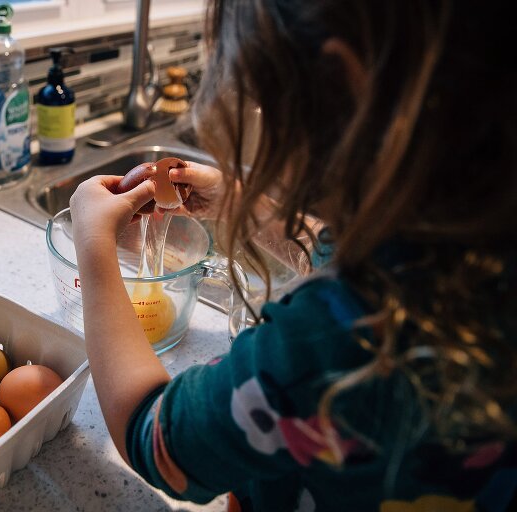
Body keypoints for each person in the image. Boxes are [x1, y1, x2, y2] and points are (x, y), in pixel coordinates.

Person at [69, 0, 516, 510]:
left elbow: (155, 437)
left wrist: (93, 244)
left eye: (258, 97)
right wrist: (252, 209)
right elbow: (375, 260)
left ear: (340, 85)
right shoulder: (479, 257)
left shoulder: (330, 345)